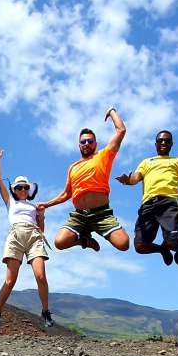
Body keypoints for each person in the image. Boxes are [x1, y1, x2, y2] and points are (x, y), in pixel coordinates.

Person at [37, 108, 130, 252]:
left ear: (95, 144)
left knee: (123, 244)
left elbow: (121, 130)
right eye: (83, 141)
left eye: (90, 141)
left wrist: (111, 111)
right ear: (79, 145)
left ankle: (98, 231)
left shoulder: (104, 155)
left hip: (101, 214)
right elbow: (66, 194)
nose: (86, 143)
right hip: (80, 215)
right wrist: (47, 204)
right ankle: (84, 240)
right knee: (59, 242)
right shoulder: (73, 167)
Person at [0, 148, 53, 330]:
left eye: (26, 187)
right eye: (19, 187)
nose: (23, 189)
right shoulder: (10, 202)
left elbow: (41, 229)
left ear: (29, 189)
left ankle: (46, 311)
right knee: (10, 281)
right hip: (16, 235)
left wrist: (42, 216)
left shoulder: (35, 206)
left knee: (41, 276)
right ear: (15, 190)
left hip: (34, 236)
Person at [116, 130, 178, 265]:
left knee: (172, 240)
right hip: (148, 205)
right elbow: (136, 178)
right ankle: (162, 250)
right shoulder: (147, 162)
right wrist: (127, 180)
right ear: (156, 144)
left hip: (169, 202)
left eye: (167, 141)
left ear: (171, 144)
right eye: (160, 141)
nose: (163, 142)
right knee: (140, 246)